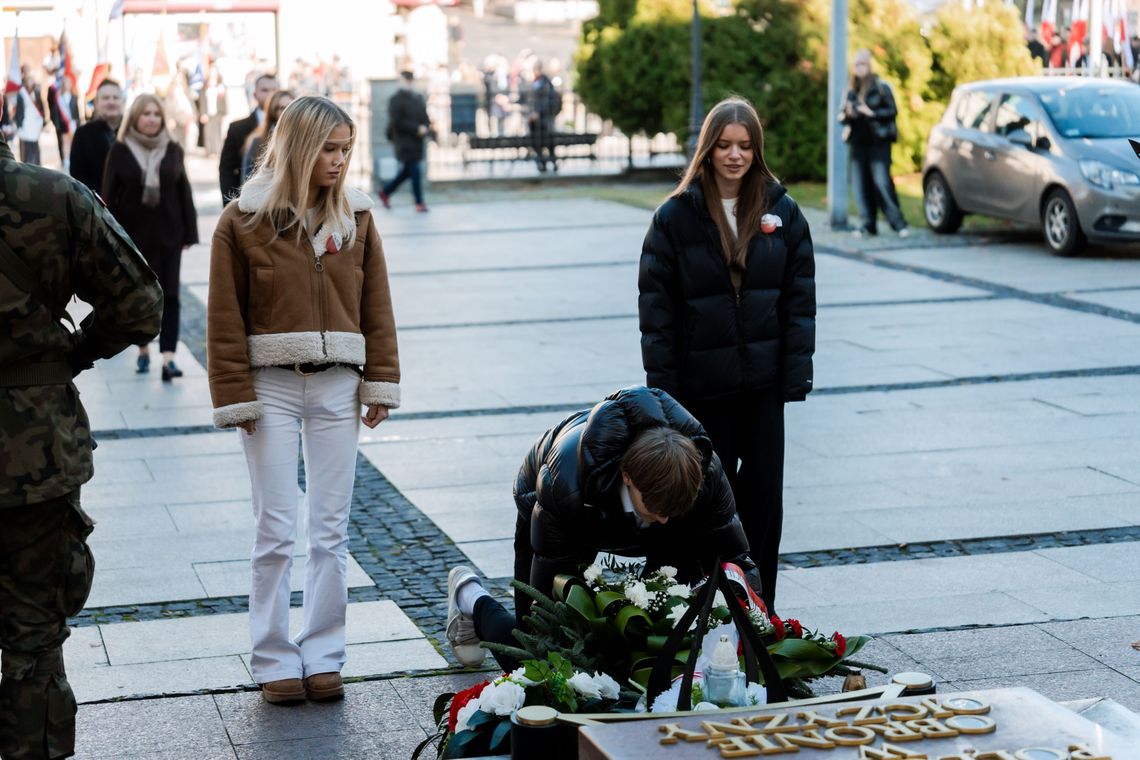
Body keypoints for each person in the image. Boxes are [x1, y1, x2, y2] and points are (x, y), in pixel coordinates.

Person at [207, 96, 401, 705]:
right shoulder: (241, 221)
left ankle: (323, 654)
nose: (340, 161)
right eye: (328, 148)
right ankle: (272, 658)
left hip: (340, 382)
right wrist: (235, 396)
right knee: (275, 526)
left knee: (330, 528)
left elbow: (378, 308)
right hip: (272, 385)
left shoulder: (358, 218)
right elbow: (223, 318)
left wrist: (380, 381)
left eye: (346, 149)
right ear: (297, 146)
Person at [0, 130, 162, 760]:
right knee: (35, 638)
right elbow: (141, 304)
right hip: (36, 452)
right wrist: (70, 352)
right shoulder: (56, 197)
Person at [637, 97, 816, 613]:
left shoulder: (782, 211)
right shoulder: (675, 218)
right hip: (700, 392)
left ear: (756, 151)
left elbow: (799, 301)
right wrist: (664, 396)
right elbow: (657, 313)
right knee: (700, 503)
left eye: (744, 146)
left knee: (762, 506)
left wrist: (792, 378)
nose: (734, 155)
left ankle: (761, 613)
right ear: (708, 149)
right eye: (724, 145)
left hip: (761, 392)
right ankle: (699, 608)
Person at [446, 386, 755, 669]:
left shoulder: (704, 473)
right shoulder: (566, 485)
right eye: (656, 511)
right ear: (628, 478)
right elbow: (543, 602)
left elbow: (737, 560)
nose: (664, 521)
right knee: (537, 659)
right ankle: (469, 596)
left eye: (674, 512)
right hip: (554, 506)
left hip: (620, 508)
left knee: (660, 643)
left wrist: (757, 630)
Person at [101, 94, 199, 381]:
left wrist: (190, 231)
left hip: (170, 234)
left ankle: (169, 357)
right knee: (140, 296)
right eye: (146, 113)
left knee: (171, 295)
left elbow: (184, 191)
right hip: (134, 237)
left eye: (157, 114)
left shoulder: (173, 148)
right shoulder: (120, 150)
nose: (152, 119)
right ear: (135, 118)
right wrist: (110, 238)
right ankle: (143, 347)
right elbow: (107, 197)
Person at [839, 49, 909, 238]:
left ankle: (898, 224)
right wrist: (848, 114)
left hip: (878, 142)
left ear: (869, 65)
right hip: (858, 143)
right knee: (860, 185)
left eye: (862, 64)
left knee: (881, 182)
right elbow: (842, 116)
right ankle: (867, 224)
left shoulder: (881, 87)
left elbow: (892, 111)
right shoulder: (850, 89)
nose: (859, 68)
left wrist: (871, 113)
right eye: (856, 64)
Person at [219, 72, 278, 204]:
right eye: (265, 90)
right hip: (248, 205)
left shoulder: (290, 126)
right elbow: (227, 170)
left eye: (274, 90)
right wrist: (232, 205)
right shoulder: (237, 128)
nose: (270, 94)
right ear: (255, 94)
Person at [378, 70, 431, 213]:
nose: (408, 82)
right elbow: (397, 121)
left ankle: (386, 192)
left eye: (409, 80)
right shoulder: (396, 99)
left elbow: (425, 117)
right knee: (415, 171)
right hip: (403, 142)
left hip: (417, 141)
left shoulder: (417, 97)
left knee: (408, 172)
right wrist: (416, 128)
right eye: (405, 80)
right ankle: (419, 202)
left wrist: (425, 127)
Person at [69, 79, 123, 193]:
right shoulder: (82, 134)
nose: (111, 102)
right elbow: (77, 175)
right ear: (96, 103)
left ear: (123, 102)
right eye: (106, 98)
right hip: (95, 204)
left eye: (115, 97)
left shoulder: (134, 132)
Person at [241, 89, 294, 182]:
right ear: (273, 111)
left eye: (289, 107)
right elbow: (247, 179)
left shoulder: (303, 139)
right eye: (281, 108)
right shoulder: (257, 141)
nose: (286, 111)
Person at [527, 60, 560, 172]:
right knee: (537, 142)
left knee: (548, 142)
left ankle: (552, 162)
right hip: (535, 121)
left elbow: (548, 100)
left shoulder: (545, 82)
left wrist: (538, 112)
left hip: (545, 119)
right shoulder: (535, 82)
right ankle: (542, 162)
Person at [47, 77, 80, 170]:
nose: (67, 85)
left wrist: (78, 123)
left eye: (69, 83)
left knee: (73, 143)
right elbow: (55, 112)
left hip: (73, 124)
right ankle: (66, 161)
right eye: (65, 83)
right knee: (65, 143)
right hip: (64, 124)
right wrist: (57, 124)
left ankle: (74, 159)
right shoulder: (58, 97)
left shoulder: (74, 96)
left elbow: (76, 112)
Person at [13, 76, 45, 166]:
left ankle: (37, 164)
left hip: (35, 123)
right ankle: (26, 163)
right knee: (25, 145)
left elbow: (41, 107)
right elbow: (19, 110)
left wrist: (43, 121)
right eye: (28, 81)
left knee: (35, 145)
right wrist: (19, 124)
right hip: (25, 123)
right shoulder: (21, 93)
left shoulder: (37, 92)